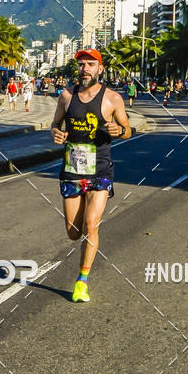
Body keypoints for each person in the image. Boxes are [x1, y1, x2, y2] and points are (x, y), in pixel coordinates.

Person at [51, 49, 131, 303]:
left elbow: (128, 130)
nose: (85, 68)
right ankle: (82, 272)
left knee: (91, 225)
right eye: (81, 64)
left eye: (90, 64)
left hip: (101, 170)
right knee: (74, 232)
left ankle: (82, 281)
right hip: (73, 170)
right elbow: (55, 124)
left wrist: (119, 130)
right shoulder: (66, 96)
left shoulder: (113, 98)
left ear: (100, 68)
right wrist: (57, 133)